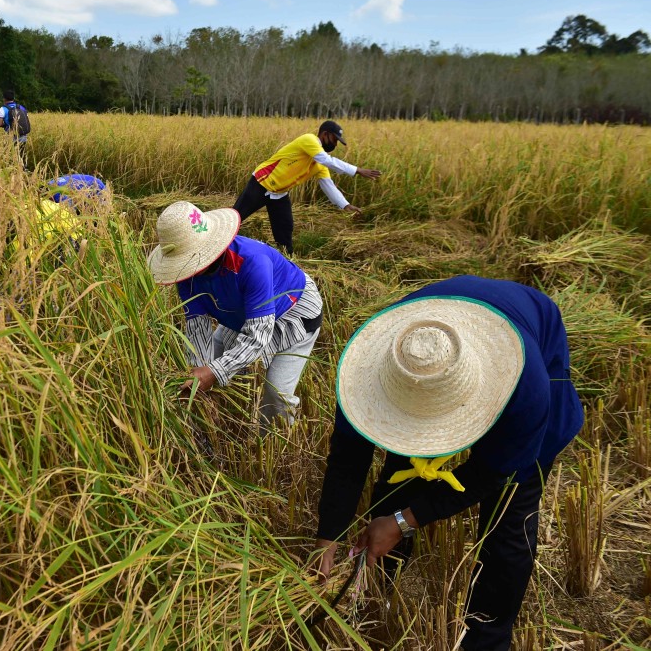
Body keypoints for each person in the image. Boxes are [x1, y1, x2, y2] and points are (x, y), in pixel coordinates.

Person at [313, 275, 584, 651]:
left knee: (510, 511)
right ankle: (377, 584)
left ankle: (485, 640)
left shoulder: (526, 385)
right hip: (426, 354)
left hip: (531, 336)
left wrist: (406, 519)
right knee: (402, 474)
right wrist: (327, 540)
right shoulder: (372, 369)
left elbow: (492, 471)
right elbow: (348, 459)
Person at [147, 201, 323, 429]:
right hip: (239, 312)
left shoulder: (252, 262)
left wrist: (214, 371)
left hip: (293, 313)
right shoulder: (186, 275)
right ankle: (219, 421)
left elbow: (258, 334)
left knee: (276, 390)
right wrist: (198, 372)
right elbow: (197, 328)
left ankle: (274, 439)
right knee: (216, 357)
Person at [233, 120, 381, 254]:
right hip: (262, 182)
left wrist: (345, 205)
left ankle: (286, 260)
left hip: (279, 193)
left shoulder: (319, 165)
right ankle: (214, 241)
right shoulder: (308, 140)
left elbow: (328, 185)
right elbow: (327, 160)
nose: (335, 145)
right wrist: (356, 170)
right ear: (325, 134)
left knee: (285, 229)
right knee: (235, 217)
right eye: (334, 140)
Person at [0, 89, 30, 169]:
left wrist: (5, 125)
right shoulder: (21, 107)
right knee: (21, 157)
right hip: (23, 136)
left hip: (10, 137)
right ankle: (23, 173)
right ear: (13, 98)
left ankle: (12, 175)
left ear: (4, 98)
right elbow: (26, 120)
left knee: (10, 158)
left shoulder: (3, 109)